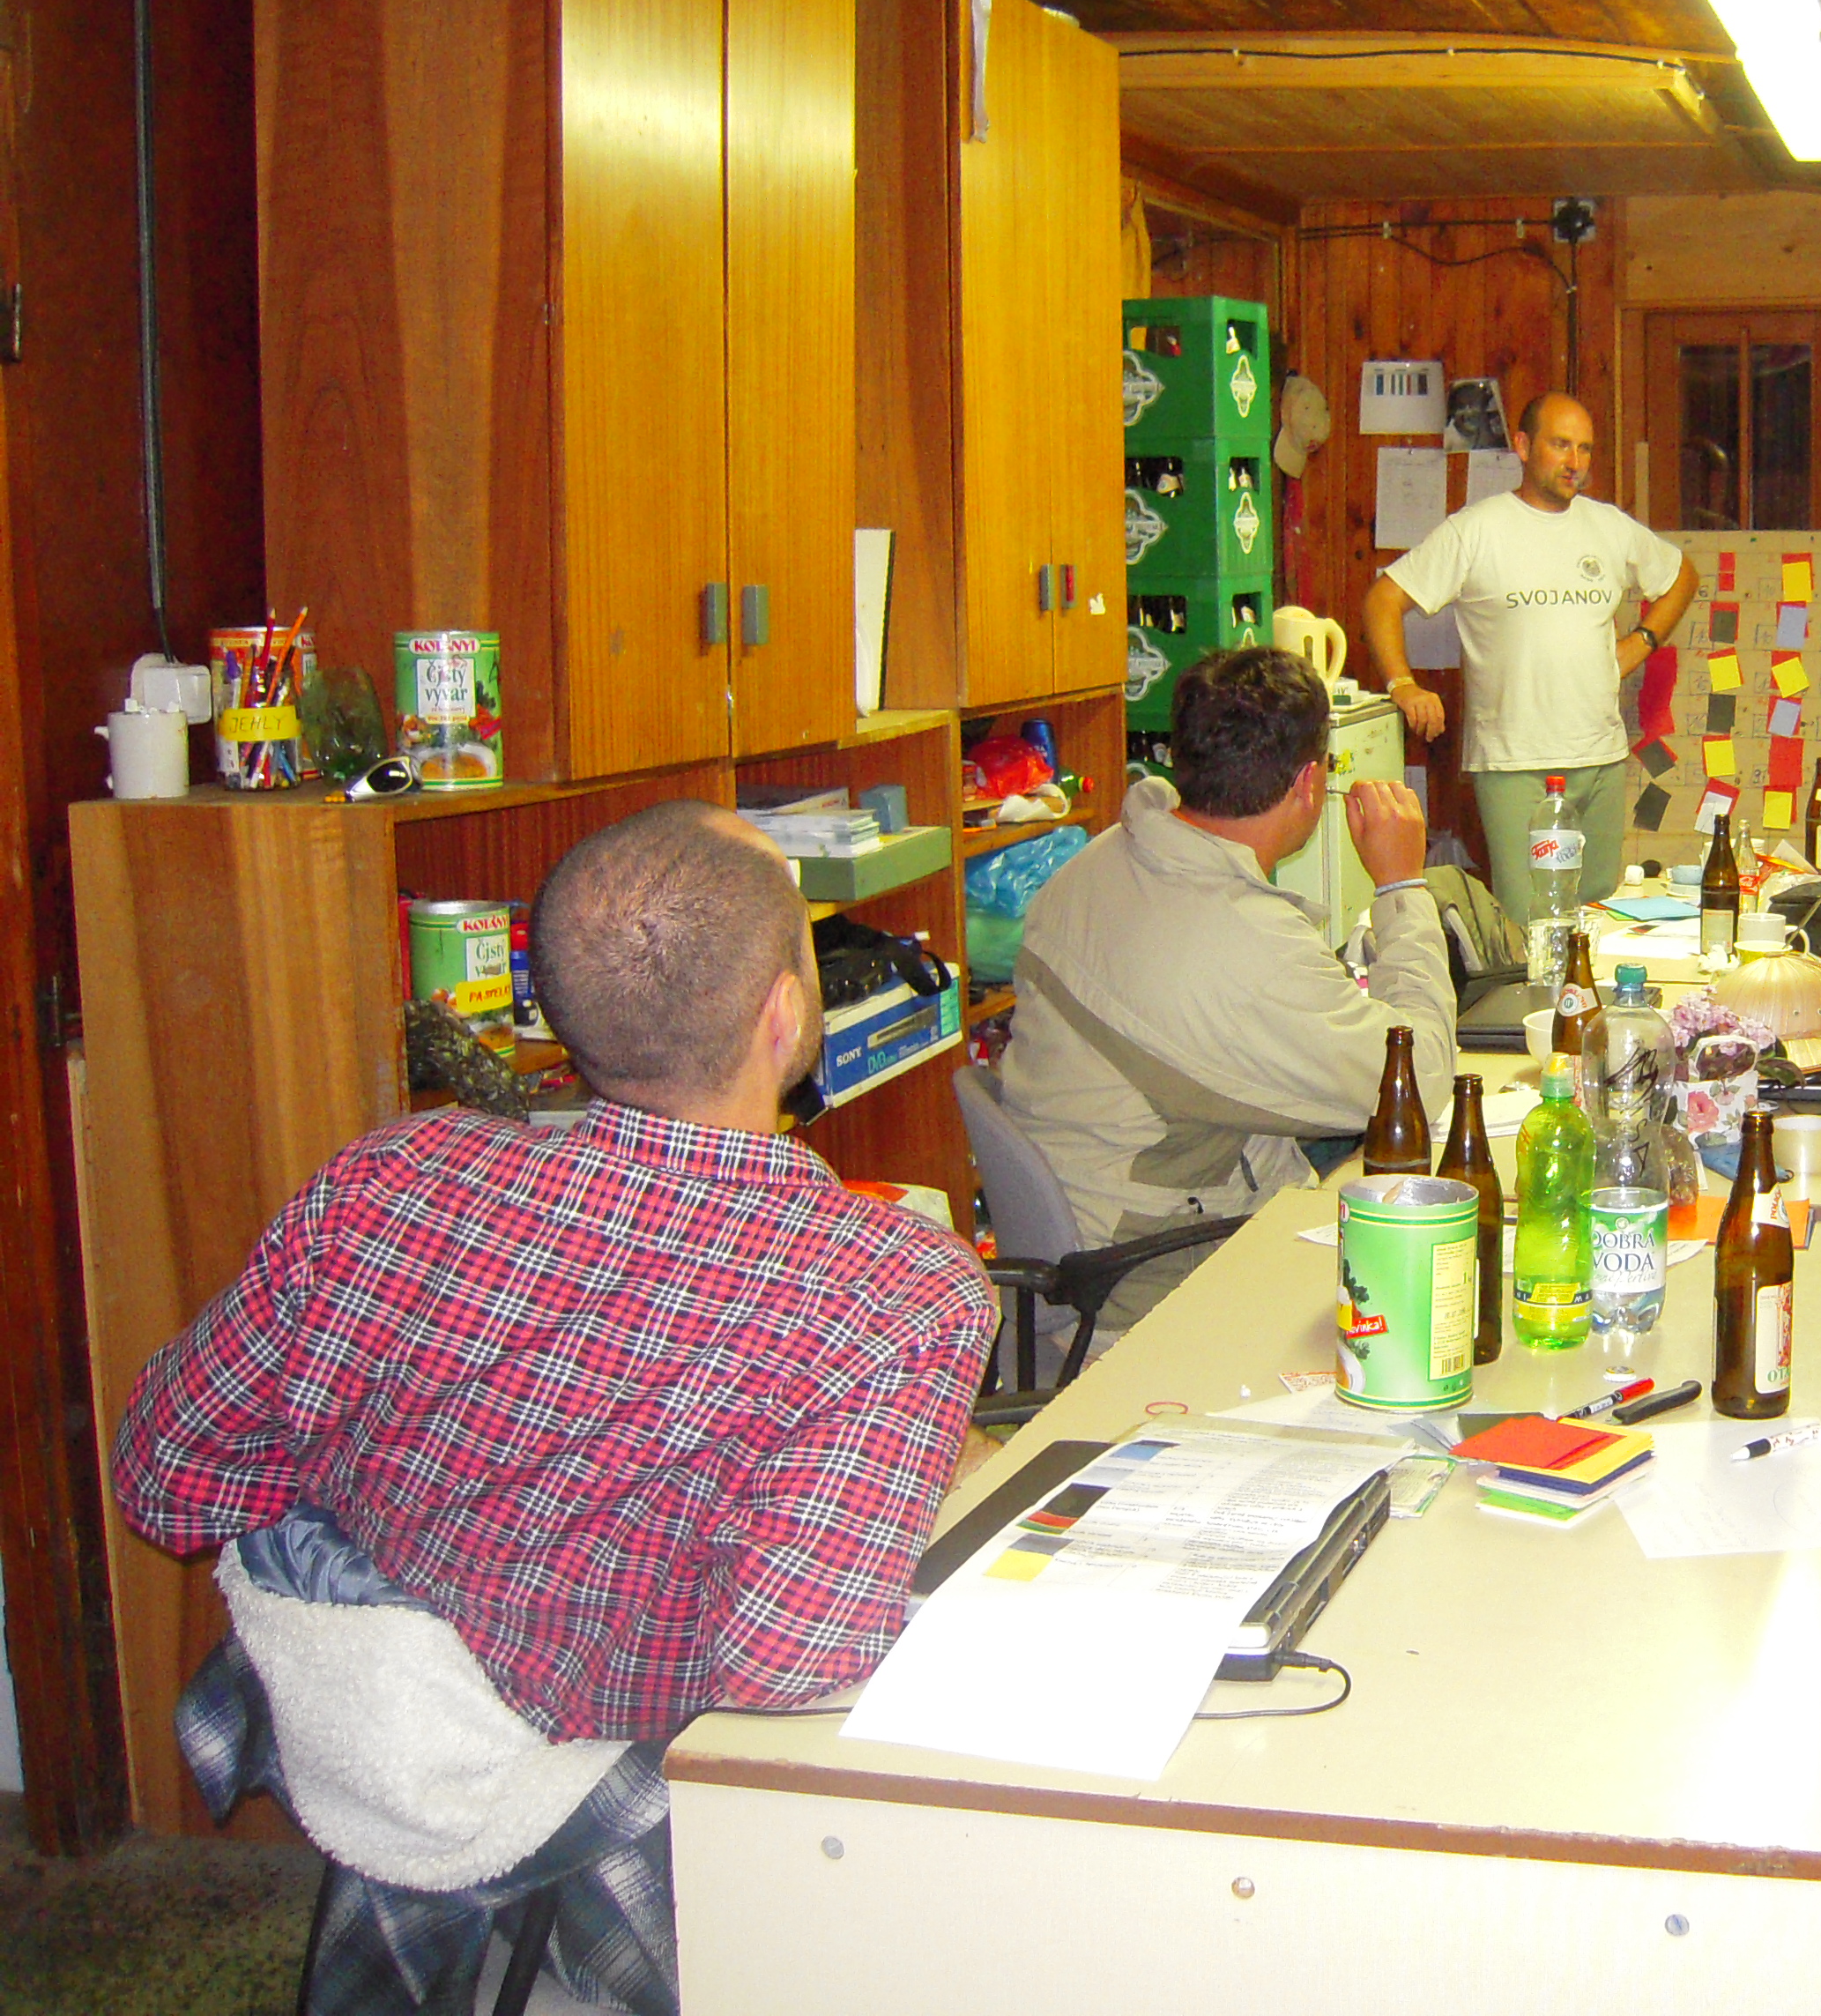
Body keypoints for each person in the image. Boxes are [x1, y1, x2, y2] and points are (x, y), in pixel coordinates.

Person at [114, 804, 999, 2008]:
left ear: (554, 1007)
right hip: (624, 1802)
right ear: (787, 1014)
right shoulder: (890, 1290)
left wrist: (399, 1550)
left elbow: (168, 1474)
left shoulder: (389, 1179)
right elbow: (788, 1666)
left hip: (383, 1740)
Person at [998, 645, 1453, 1368]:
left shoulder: (1106, 857)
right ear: (1310, 783)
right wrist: (1401, 887)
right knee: (1443, 1281)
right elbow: (1419, 1085)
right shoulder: (1242, 942)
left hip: (1098, 1227)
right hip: (1153, 1288)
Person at [1362, 391, 1698, 926]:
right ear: (1522, 446)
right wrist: (1402, 684)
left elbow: (1682, 575)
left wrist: (1641, 642)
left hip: (1600, 758)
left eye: (1585, 449)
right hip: (1514, 764)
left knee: (1597, 921)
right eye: (1561, 445)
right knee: (1531, 925)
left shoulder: (1608, 526)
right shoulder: (1477, 529)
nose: (1575, 462)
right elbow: (1384, 598)